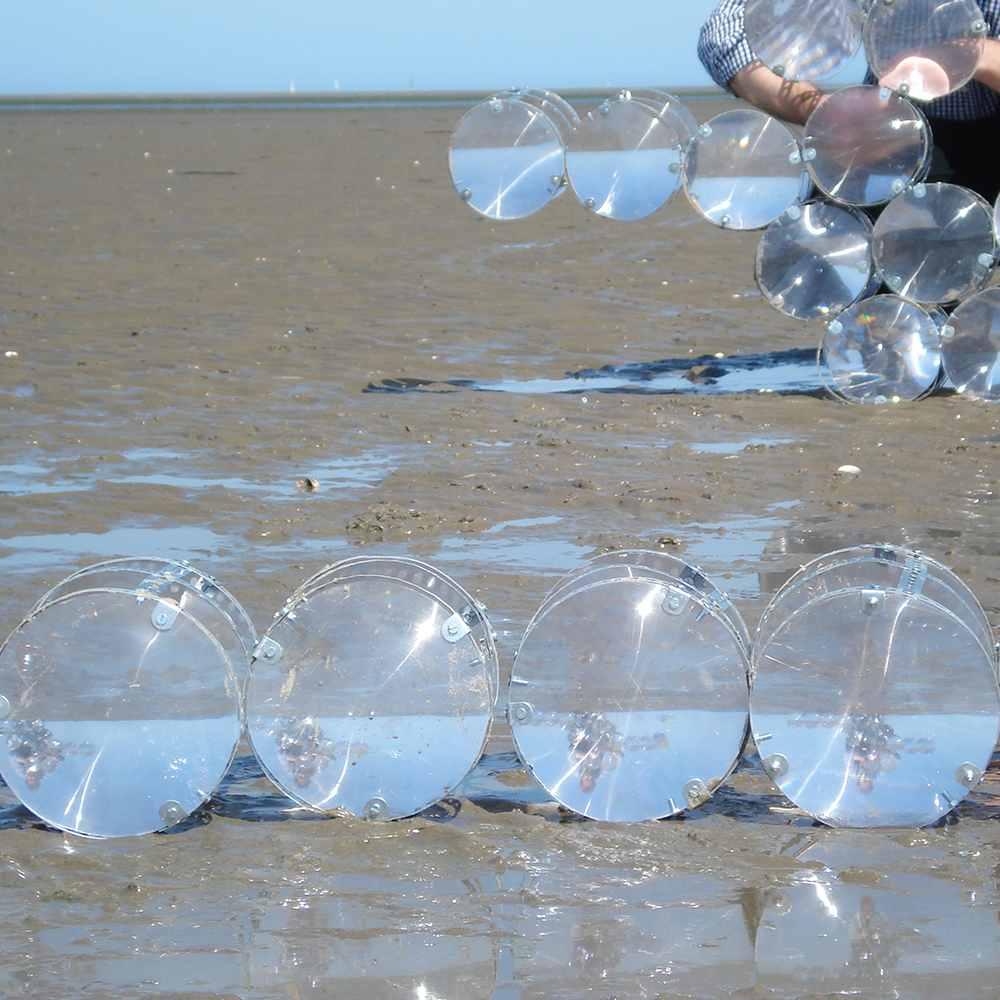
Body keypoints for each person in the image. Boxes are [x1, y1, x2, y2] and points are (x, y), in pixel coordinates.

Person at [698, 0, 1000, 201]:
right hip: (882, 123)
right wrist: (822, 110)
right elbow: (726, 31)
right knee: (817, 255)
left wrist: (980, 57)